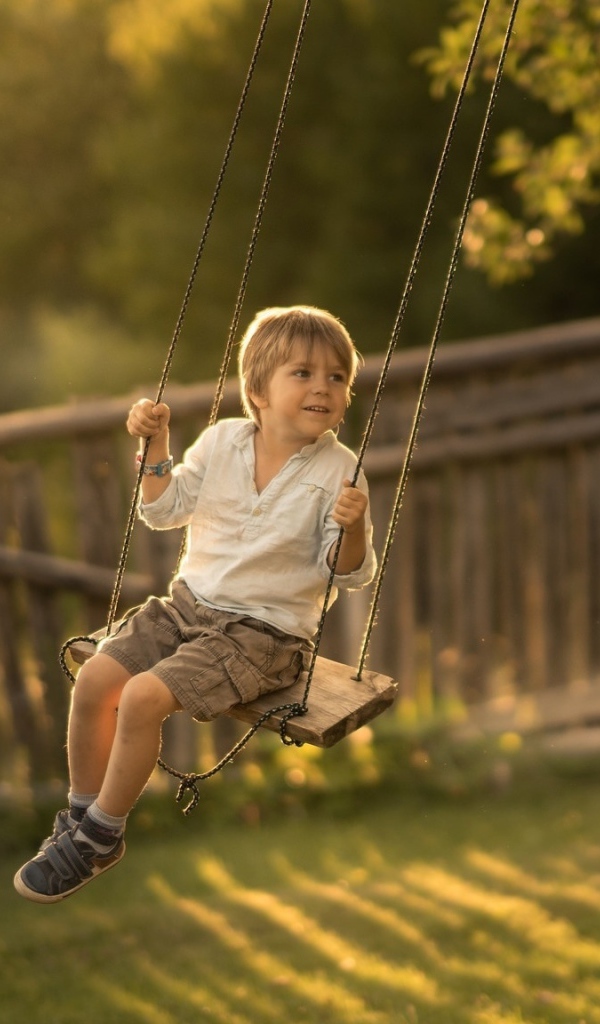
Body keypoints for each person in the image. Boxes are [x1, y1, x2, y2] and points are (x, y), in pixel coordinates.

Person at [14, 304, 377, 904]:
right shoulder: (222, 441)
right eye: (304, 373)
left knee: (141, 697)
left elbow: (349, 573)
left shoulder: (342, 472)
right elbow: (162, 510)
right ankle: (81, 817)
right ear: (258, 391)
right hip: (186, 607)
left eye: (337, 377)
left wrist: (355, 527)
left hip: (264, 636)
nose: (323, 387)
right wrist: (155, 443)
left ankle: (102, 835)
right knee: (95, 678)